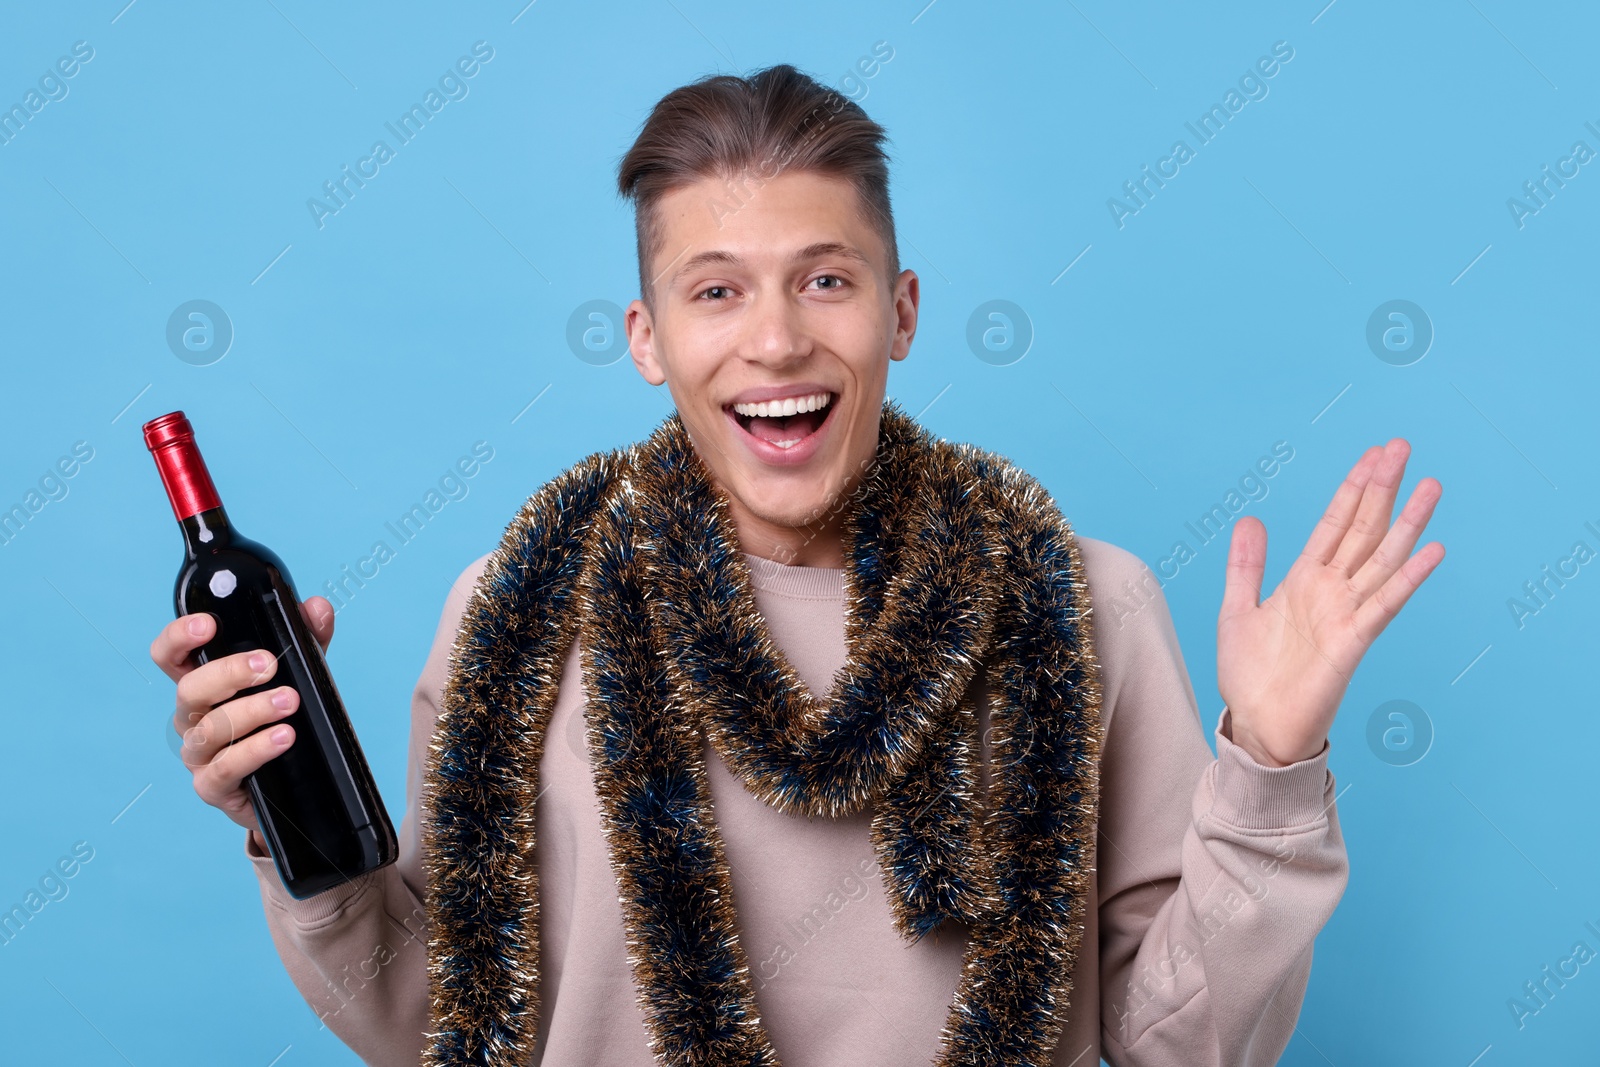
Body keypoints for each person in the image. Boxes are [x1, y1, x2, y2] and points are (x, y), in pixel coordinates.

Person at [148, 65, 1443, 1066]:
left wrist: (1270, 767)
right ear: (648, 340)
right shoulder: (519, 612)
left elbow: (1180, 1049)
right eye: (716, 293)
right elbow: (445, 1020)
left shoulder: (1087, 606)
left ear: (902, 311)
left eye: (826, 280)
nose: (776, 340)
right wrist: (283, 823)